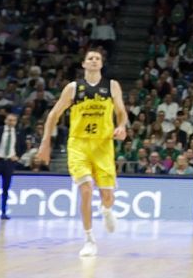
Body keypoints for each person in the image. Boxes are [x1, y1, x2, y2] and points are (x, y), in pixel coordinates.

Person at [34, 47, 128, 258]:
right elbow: (53, 115)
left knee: (107, 195)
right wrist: (45, 142)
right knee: (85, 189)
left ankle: (106, 210)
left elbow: (121, 112)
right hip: (78, 144)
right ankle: (89, 239)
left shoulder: (112, 86)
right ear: (84, 64)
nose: (94, 61)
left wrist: (121, 126)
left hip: (103, 146)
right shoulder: (73, 88)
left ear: (101, 64)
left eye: (97, 58)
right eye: (90, 58)